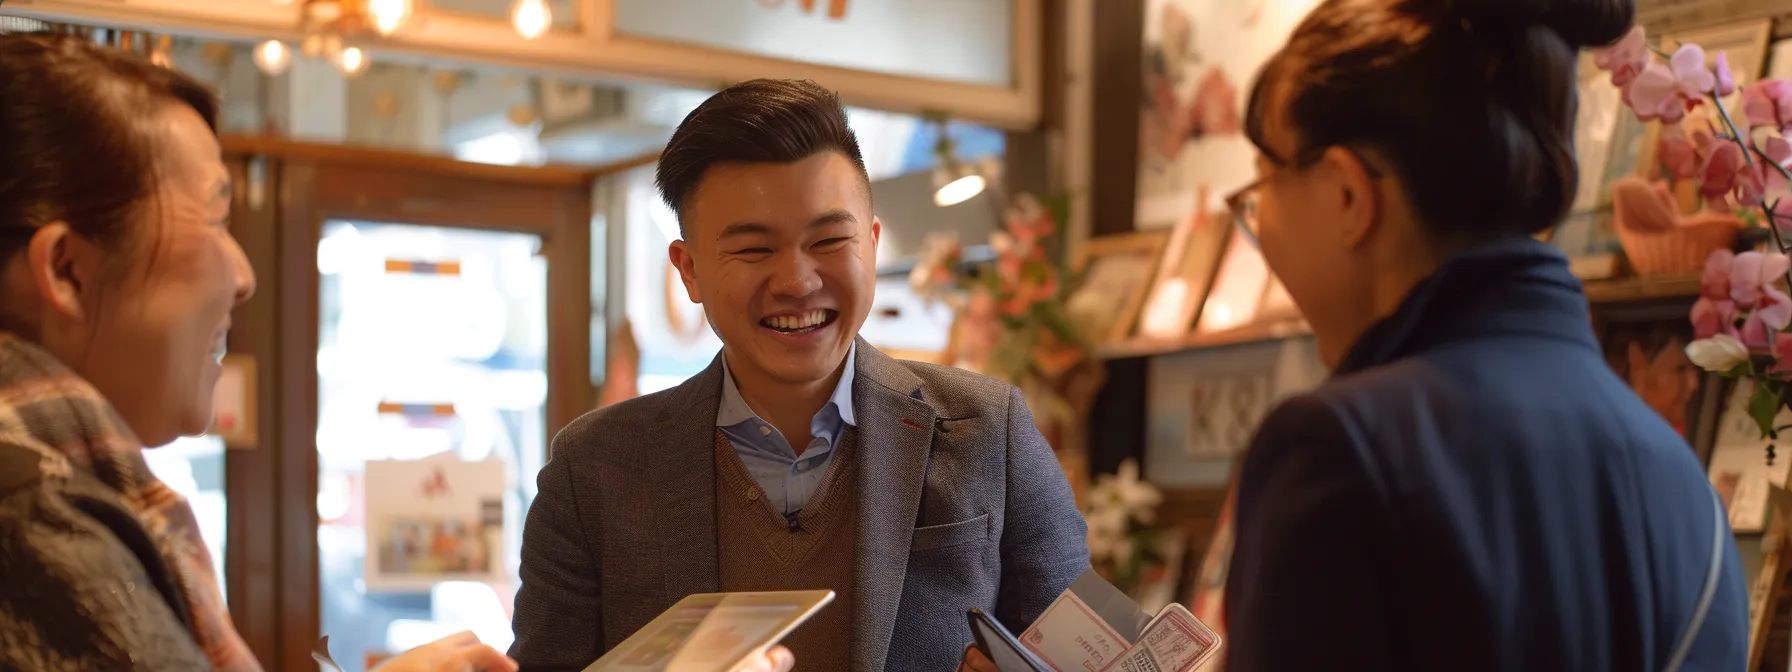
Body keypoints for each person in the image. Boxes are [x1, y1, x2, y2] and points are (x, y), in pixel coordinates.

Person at [0, 33, 797, 672]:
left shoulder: (76, 489)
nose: (242, 275)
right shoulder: (36, 519)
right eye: (212, 219)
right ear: (67, 269)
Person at [1220, 0, 1748, 670]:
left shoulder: (1344, 448)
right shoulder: (1686, 488)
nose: (1257, 219)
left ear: (1347, 195)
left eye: (1263, 183)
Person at [510, 78, 1089, 672]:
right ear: (689, 271)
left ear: (872, 241)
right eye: (754, 250)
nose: (797, 281)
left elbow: (1091, 653)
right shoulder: (594, 470)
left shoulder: (989, 431)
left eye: (830, 239)